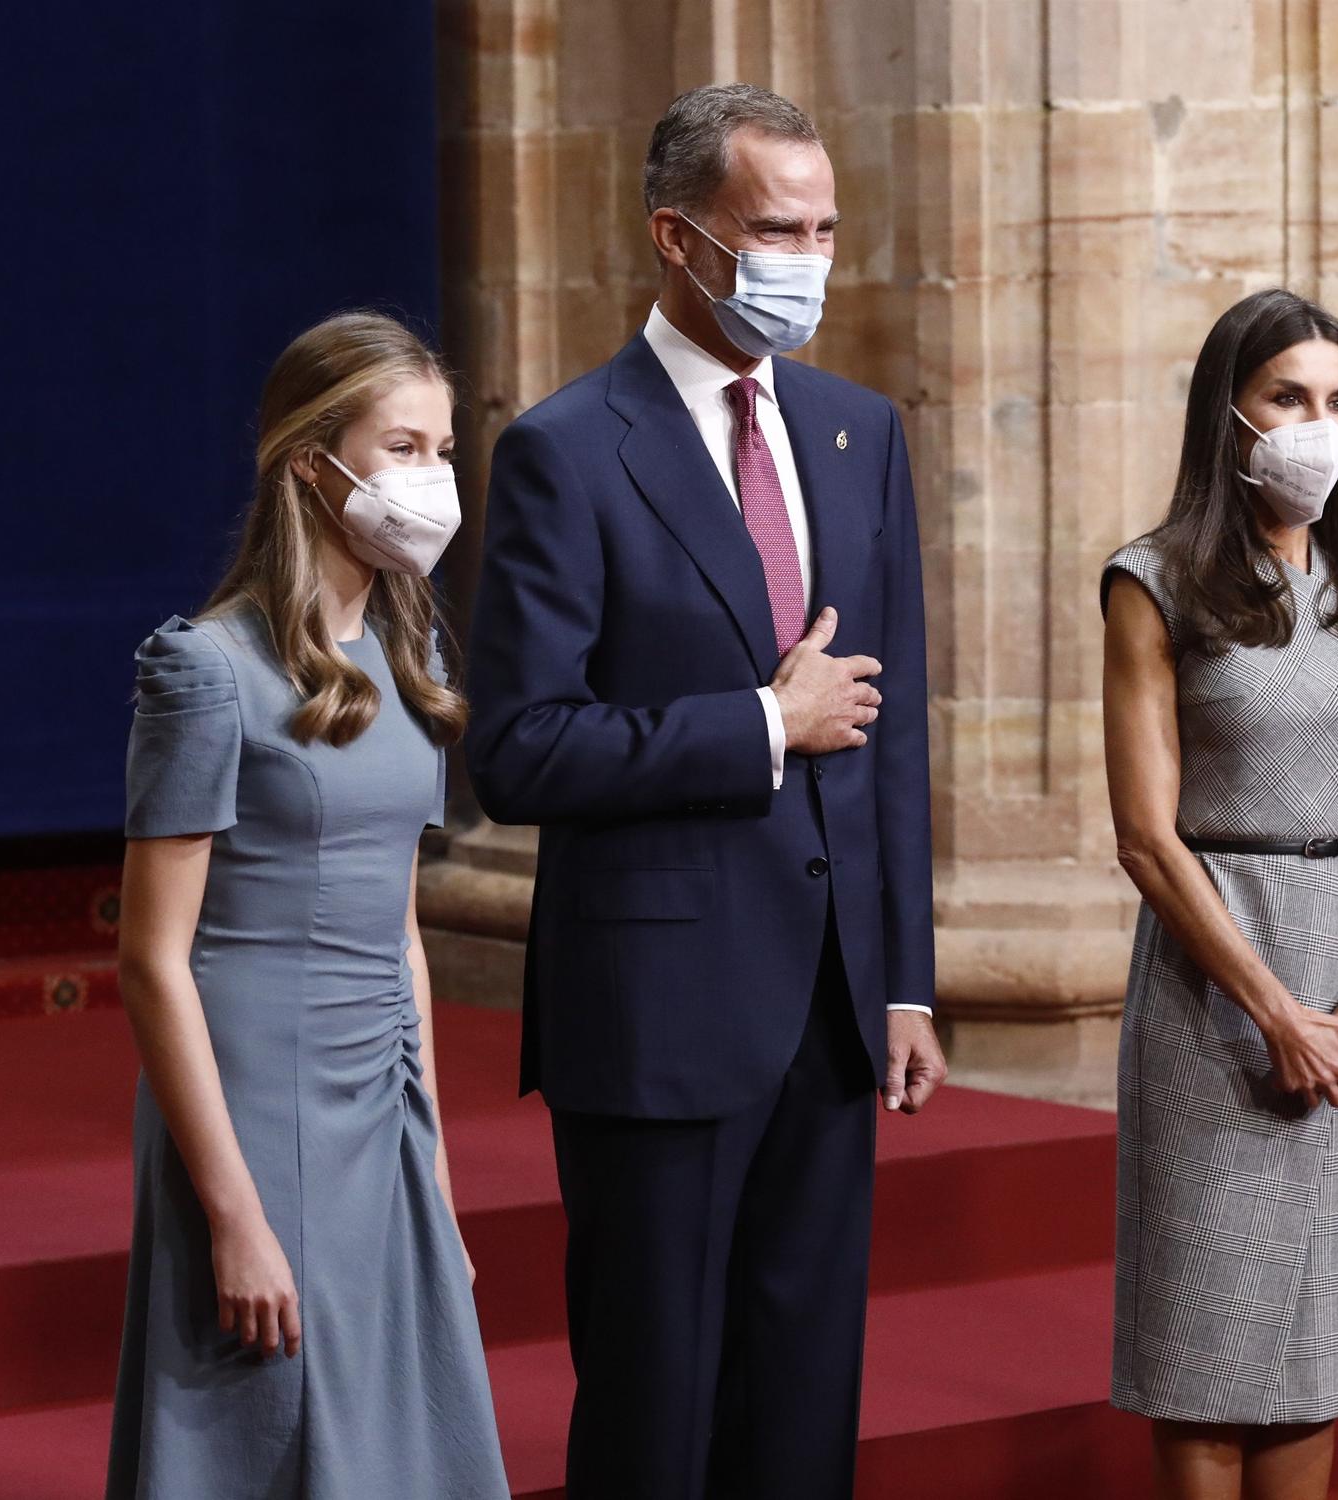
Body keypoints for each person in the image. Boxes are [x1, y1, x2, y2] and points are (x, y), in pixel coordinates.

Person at [464, 83, 945, 1499]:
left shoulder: (859, 433)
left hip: (833, 1008)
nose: (807, 258)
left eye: (825, 227)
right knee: (656, 1412)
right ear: (678, 237)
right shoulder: (567, 449)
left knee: (804, 1408)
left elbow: (893, 726)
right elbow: (520, 748)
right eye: (774, 229)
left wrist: (904, 979)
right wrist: (757, 724)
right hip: (659, 1012)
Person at [106, 311, 509, 1498]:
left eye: (441, 449)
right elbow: (150, 959)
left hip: (377, 1103)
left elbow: (399, 933)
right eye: (401, 448)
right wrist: (230, 1211)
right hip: (256, 1103)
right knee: (266, 1426)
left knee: (403, 1430)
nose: (431, 480)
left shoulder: (404, 648)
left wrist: (430, 1169)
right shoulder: (204, 668)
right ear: (308, 463)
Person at [1100, 288, 1338, 1500]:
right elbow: (1143, 834)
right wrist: (1272, 1012)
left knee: (1316, 1349)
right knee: (1207, 1351)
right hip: (1212, 988)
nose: (1318, 425)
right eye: (1288, 398)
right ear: (1229, 415)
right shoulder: (1153, 581)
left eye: (1337, 401)